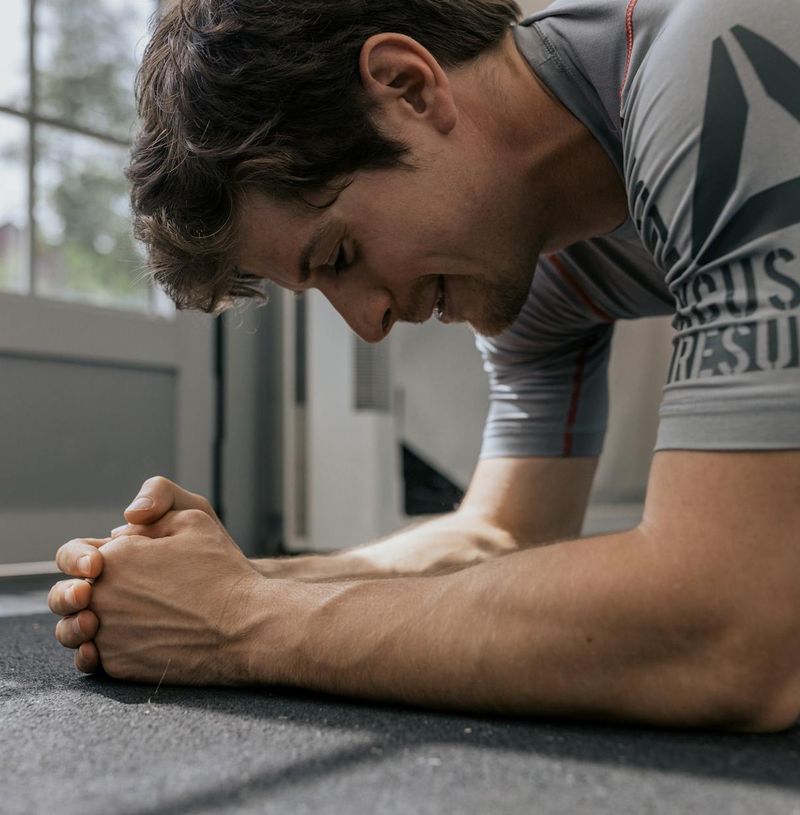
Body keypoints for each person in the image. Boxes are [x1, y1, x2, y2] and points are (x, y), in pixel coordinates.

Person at [48, 0, 799, 731]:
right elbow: (502, 535)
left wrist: (234, 621)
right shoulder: (535, 261)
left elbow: (733, 623)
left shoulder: (716, 57)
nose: (370, 325)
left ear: (409, 86)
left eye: (340, 255)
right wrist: (218, 581)